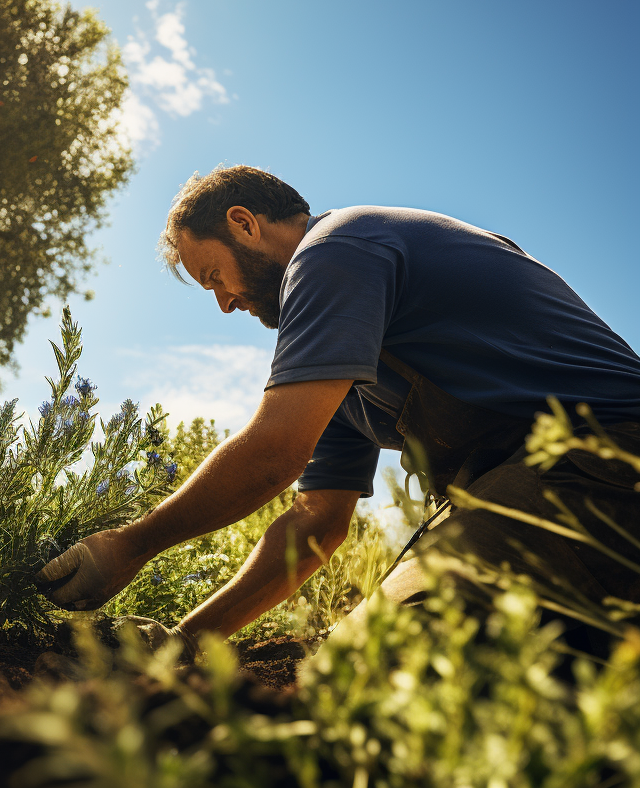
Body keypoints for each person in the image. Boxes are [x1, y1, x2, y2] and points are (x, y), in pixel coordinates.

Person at [37, 165, 640, 654]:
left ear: (243, 223)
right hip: (544, 495)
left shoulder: (336, 248)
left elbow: (276, 452)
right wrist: (188, 642)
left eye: (214, 276)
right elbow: (316, 523)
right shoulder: (343, 369)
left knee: (369, 671)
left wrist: (130, 546)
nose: (223, 303)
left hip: (600, 465)